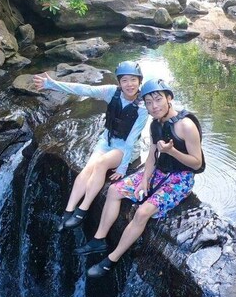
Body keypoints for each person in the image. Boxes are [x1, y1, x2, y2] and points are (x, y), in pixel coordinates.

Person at [74, 78, 205, 278]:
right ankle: (99, 239)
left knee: (143, 212)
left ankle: (112, 259)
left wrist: (172, 153)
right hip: (160, 171)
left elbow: (197, 163)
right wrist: (144, 180)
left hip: (181, 178)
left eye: (158, 100)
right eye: (149, 102)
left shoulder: (186, 126)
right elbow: (152, 155)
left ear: (169, 98)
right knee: (113, 190)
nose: (154, 106)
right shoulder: (155, 125)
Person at [33, 61, 149, 230]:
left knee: (101, 164)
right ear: (119, 82)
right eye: (124, 80)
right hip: (107, 140)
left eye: (133, 80)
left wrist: (122, 168)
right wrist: (51, 84)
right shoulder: (111, 92)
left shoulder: (142, 107)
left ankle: (82, 211)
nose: (129, 84)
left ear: (140, 81)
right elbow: (83, 89)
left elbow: (131, 139)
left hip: (124, 149)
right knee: (88, 168)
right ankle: (68, 210)